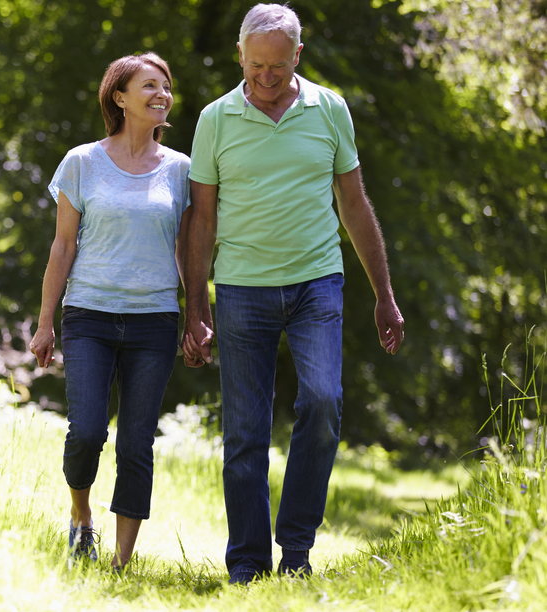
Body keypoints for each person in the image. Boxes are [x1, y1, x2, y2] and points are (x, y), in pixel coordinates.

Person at [182, 3, 405, 583]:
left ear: (297, 56)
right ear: (240, 56)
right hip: (240, 289)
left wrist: (383, 292)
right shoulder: (215, 119)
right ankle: (248, 565)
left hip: (316, 284)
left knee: (324, 404)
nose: (266, 77)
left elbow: (353, 205)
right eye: (255, 65)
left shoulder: (329, 109)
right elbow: (201, 221)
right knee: (245, 433)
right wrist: (196, 307)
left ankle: (297, 550)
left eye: (277, 66)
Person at [29, 52, 193, 571]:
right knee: (87, 432)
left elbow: (190, 251)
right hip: (89, 315)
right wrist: (44, 323)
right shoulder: (82, 162)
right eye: (149, 85)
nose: (161, 94)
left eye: (165, 86)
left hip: (155, 321)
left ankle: (121, 565)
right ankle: (81, 518)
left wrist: (196, 317)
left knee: (137, 442)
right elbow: (62, 247)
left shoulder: (182, 171)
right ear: (119, 97)